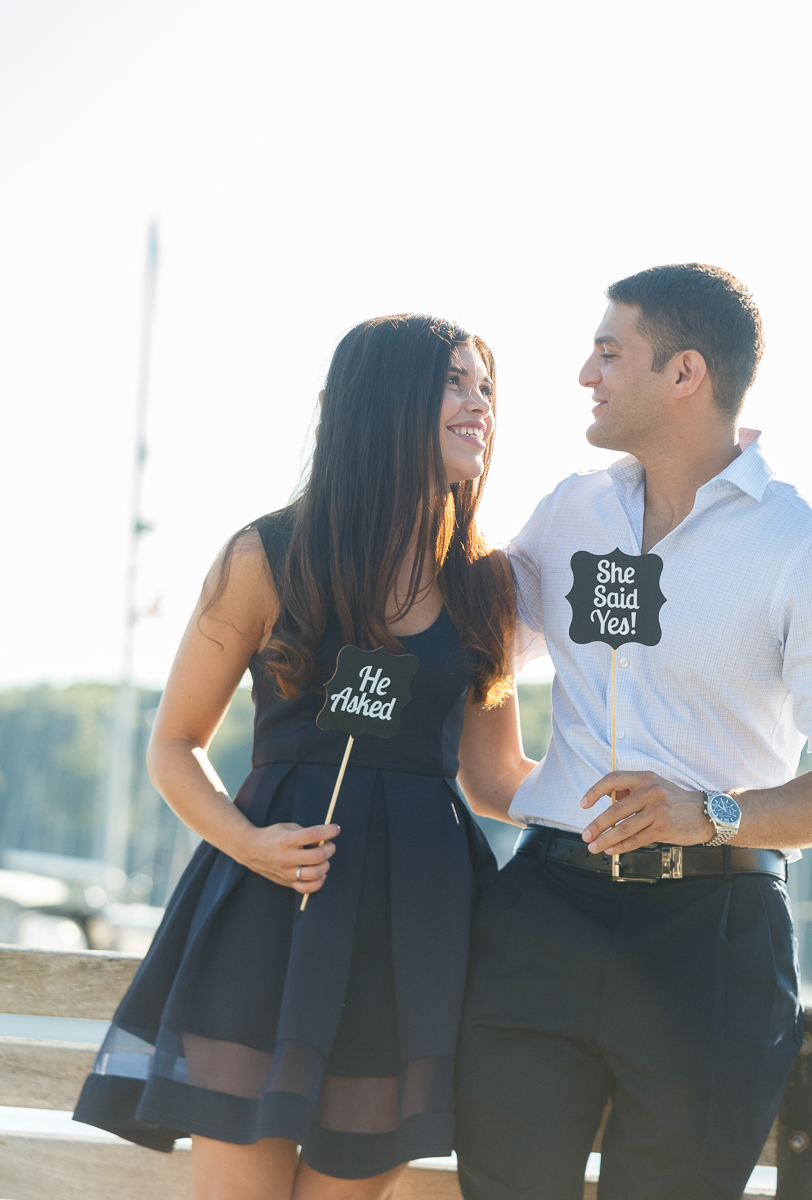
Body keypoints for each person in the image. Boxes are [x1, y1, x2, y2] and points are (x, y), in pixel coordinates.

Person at [453, 264, 812, 1200]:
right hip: (544, 911)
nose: (586, 372)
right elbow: (478, 642)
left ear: (684, 374)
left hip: (712, 938)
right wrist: (502, 779)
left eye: (609, 352)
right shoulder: (571, 511)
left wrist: (711, 812)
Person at [73, 314, 535, 1200]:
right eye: (455, 381)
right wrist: (250, 845)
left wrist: (620, 803)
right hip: (271, 912)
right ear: (382, 400)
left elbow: (496, 778)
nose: (479, 403)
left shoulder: (488, 582)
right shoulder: (267, 553)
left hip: (415, 929)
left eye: (486, 387)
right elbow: (174, 747)